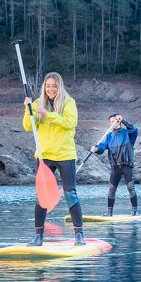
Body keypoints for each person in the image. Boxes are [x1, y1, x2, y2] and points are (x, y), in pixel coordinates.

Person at [23, 72, 85, 246]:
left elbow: (70, 123)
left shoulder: (68, 102)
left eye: (54, 86)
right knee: (41, 196)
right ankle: (38, 236)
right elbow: (28, 127)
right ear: (44, 87)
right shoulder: (36, 103)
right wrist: (29, 110)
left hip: (65, 155)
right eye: (48, 85)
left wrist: (47, 114)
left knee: (69, 194)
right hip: (44, 156)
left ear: (60, 87)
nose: (51, 89)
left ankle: (79, 234)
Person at [90, 114, 139, 216]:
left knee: (130, 187)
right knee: (112, 189)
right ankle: (109, 212)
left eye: (114, 121)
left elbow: (134, 129)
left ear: (119, 122)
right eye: (110, 122)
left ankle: (134, 211)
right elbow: (102, 147)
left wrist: (124, 120)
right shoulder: (108, 136)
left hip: (127, 165)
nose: (112, 123)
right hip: (115, 166)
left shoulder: (128, 133)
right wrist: (96, 149)